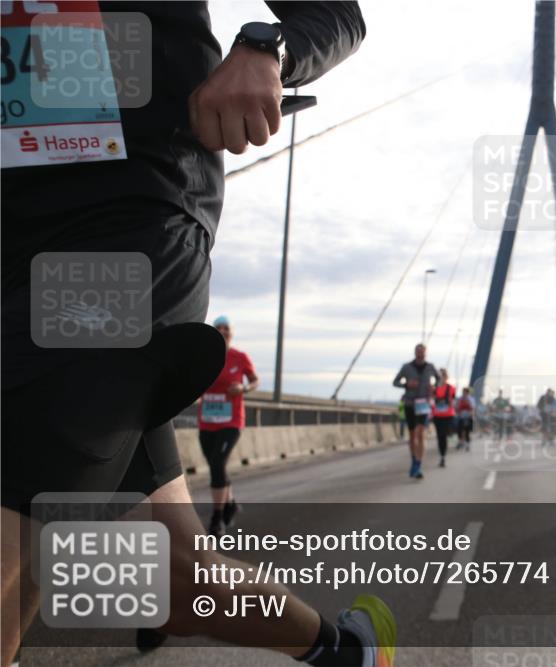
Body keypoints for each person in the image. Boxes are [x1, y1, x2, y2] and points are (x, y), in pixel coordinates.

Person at [0, 3, 396, 666]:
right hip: (13, 254)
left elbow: (334, 11)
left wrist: (268, 47)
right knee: (177, 573)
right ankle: (345, 651)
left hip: (121, 229)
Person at [198, 315, 258, 538]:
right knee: (216, 465)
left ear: (232, 333)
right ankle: (230, 503)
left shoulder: (239, 357)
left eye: (226, 328)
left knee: (217, 462)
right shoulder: (204, 356)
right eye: (218, 327)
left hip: (232, 420)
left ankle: (217, 518)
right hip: (207, 419)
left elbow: (255, 380)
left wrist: (243, 389)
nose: (222, 331)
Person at [392, 343, 439, 479]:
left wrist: (434, 388)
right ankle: (414, 460)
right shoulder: (406, 367)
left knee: (420, 433)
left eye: (423, 352)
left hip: (423, 404)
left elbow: (439, 380)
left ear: (426, 353)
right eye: (418, 352)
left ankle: (418, 464)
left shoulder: (430, 367)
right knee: (412, 435)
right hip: (409, 403)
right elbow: (395, 382)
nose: (420, 354)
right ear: (415, 352)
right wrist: (407, 384)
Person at [430, 368, 456, 468]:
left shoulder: (451, 388)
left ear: (446, 377)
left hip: (448, 415)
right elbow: (431, 400)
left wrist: (449, 402)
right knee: (440, 437)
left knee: (445, 435)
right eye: (439, 376)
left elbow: (452, 400)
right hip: (437, 415)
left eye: (443, 375)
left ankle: (444, 453)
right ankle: (442, 456)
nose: (441, 378)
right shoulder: (434, 388)